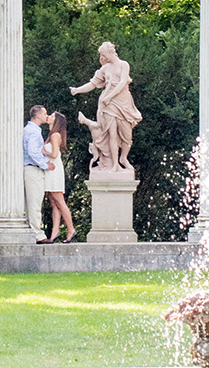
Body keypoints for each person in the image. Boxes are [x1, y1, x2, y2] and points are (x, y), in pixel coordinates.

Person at [70, 41, 142, 171]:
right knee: (111, 134)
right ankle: (115, 164)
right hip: (107, 105)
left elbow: (122, 82)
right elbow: (92, 84)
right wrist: (77, 90)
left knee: (127, 136)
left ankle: (123, 158)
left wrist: (109, 97)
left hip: (123, 101)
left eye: (104, 54)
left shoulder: (123, 65)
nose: (103, 58)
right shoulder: (105, 69)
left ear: (110, 52)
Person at [44, 113, 76, 242]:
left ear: (56, 120)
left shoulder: (55, 135)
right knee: (54, 202)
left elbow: (54, 154)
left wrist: (43, 151)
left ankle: (71, 229)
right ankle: (55, 231)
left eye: (51, 115)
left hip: (54, 169)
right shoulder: (52, 134)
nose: (49, 116)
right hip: (52, 169)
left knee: (59, 201)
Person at [22, 102, 50, 241]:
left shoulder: (29, 130)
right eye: (45, 113)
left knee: (31, 203)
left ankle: (32, 231)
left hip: (30, 169)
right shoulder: (32, 131)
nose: (47, 116)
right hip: (33, 169)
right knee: (34, 202)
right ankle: (37, 234)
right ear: (38, 115)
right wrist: (45, 164)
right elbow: (33, 152)